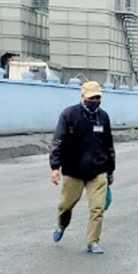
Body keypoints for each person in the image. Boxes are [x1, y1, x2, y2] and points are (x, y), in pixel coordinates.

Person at [49, 81, 116, 254]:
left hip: (97, 171)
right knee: (66, 206)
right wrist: (55, 167)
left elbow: (108, 146)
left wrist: (110, 171)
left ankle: (92, 242)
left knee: (97, 208)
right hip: (73, 170)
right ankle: (61, 225)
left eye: (97, 97)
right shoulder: (69, 115)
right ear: (83, 97)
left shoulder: (103, 117)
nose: (95, 100)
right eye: (91, 97)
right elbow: (57, 142)